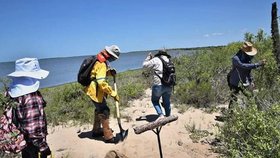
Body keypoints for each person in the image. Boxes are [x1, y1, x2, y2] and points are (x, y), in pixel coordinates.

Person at [7, 58, 52, 158]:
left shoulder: (13, 92)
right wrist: (43, 146)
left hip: (23, 138)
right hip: (34, 143)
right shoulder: (31, 97)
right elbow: (33, 127)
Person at [84, 45, 120, 143]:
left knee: (99, 109)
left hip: (92, 89)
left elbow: (96, 74)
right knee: (104, 110)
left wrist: (109, 73)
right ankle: (108, 136)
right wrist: (112, 93)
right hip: (94, 90)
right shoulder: (101, 63)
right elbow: (101, 82)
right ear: (109, 55)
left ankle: (96, 131)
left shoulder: (98, 60)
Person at [228, 41, 266, 108]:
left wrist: (251, 81)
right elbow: (243, 66)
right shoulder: (235, 58)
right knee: (233, 98)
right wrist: (258, 64)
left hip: (245, 82)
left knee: (250, 97)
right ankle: (230, 115)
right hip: (235, 82)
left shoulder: (248, 58)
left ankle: (251, 112)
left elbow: (248, 70)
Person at [142, 50, 173, 119]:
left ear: (159, 54)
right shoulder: (169, 60)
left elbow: (144, 65)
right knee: (167, 101)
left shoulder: (156, 59)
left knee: (155, 101)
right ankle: (168, 116)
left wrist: (148, 57)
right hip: (169, 84)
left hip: (158, 84)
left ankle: (161, 115)